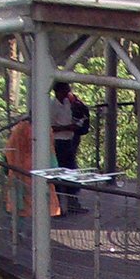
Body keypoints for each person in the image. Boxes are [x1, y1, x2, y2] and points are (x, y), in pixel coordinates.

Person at [49, 80, 82, 211]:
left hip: (69, 140)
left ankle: (72, 202)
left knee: (71, 172)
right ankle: (58, 206)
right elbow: (50, 127)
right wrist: (66, 127)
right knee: (59, 173)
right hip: (58, 142)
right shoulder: (52, 106)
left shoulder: (68, 103)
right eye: (65, 90)